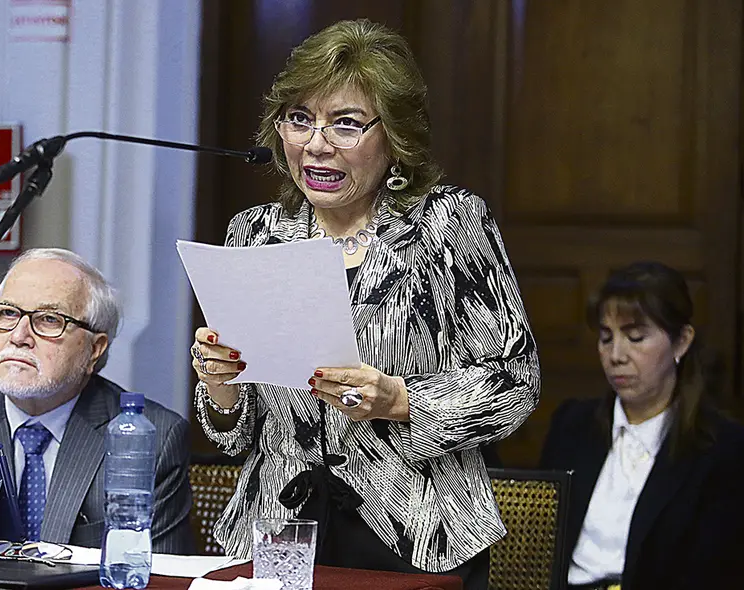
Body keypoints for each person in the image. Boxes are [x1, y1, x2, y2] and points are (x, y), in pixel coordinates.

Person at [189, 19, 539, 589]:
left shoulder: (448, 226)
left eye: (345, 124)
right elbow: (235, 434)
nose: (317, 144)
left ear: (395, 137)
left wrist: (401, 399)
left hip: (419, 532)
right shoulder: (253, 235)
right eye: (300, 119)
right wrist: (221, 383)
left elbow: (515, 385)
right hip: (279, 531)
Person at [0, 247, 194, 553]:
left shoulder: (154, 439)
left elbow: (160, 580)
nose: (19, 336)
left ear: (94, 349)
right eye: (7, 313)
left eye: (48, 320)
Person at [540, 262, 744, 590]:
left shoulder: (721, 449)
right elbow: (538, 548)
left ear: (681, 342)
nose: (616, 355)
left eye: (635, 337)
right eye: (606, 338)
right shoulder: (572, 424)